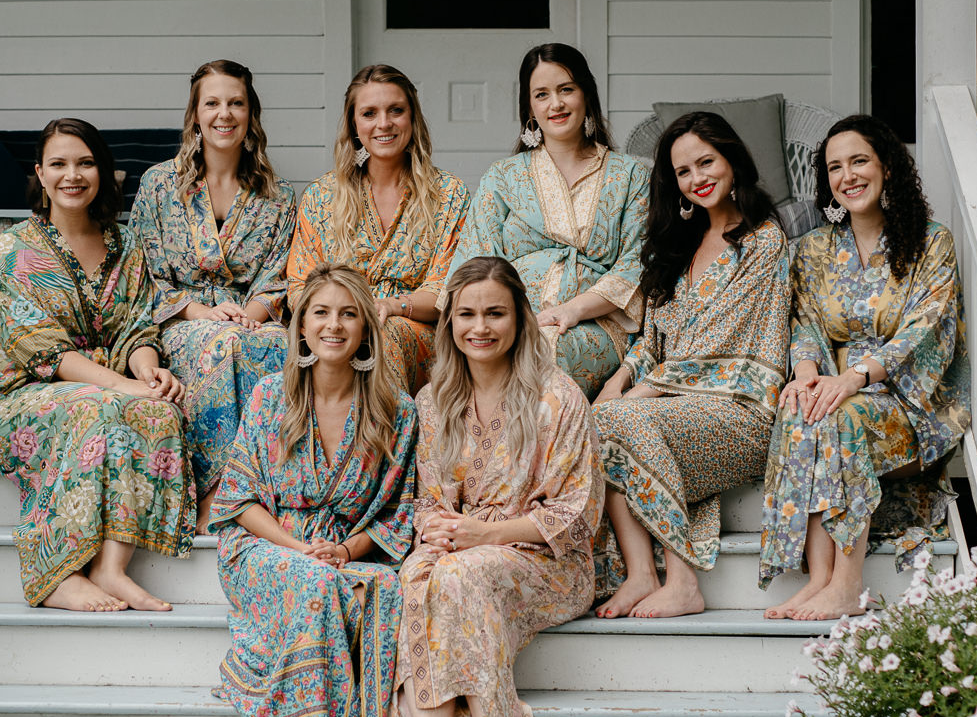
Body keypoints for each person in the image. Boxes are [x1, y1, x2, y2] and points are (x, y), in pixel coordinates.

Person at [386, 256, 602, 717]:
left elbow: (578, 512)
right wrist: (434, 529)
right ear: (450, 323)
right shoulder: (434, 402)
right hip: (463, 546)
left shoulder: (557, 398)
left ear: (520, 318)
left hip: (548, 559)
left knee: (465, 575)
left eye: (495, 314)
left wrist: (485, 536)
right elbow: (424, 498)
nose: (479, 328)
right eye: (466, 315)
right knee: (415, 573)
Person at [208, 265, 419, 717]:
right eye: (320, 313)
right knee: (313, 580)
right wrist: (301, 548)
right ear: (300, 326)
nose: (334, 326)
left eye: (349, 314)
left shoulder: (398, 411)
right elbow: (240, 499)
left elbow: (400, 512)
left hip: (351, 549)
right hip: (266, 544)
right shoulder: (267, 397)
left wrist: (346, 549)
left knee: (388, 588)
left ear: (368, 329)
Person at [0, 118, 191, 613]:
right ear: (40, 174)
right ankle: (57, 576)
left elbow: (138, 326)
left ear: (104, 173)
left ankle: (111, 569)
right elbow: (43, 349)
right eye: (59, 164)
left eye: (85, 163)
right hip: (16, 401)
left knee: (160, 412)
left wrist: (148, 374)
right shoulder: (16, 249)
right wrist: (119, 386)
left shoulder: (126, 245)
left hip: (103, 391)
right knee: (93, 410)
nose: (73, 174)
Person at [760, 113, 971, 621]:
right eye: (835, 167)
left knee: (843, 417)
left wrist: (856, 377)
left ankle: (849, 583)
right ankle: (820, 579)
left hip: (906, 400)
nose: (847, 176)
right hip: (834, 384)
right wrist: (807, 371)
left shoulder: (930, 242)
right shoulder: (811, 249)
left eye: (859, 161)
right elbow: (804, 319)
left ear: (888, 168)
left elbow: (927, 328)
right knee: (800, 409)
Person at [590, 111, 793, 619]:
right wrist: (619, 378)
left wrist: (642, 394)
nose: (698, 178)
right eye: (684, 171)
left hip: (739, 411)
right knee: (602, 418)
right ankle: (640, 574)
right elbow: (653, 340)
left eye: (707, 162)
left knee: (619, 420)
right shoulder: (676, 249)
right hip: (672, 413)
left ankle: (681, 581)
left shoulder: (762, 243)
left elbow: (714, 344)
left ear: (732, 161)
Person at [129, 60, 297, 530]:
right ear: (196, 115)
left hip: (251, 320)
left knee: (285, 348)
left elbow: (277, 277)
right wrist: (202, 312)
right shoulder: (159, 185)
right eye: (213, 103)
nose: (225, 114)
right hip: (178, 322)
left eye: (236, 103)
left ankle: (270, 490)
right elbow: (142, 274)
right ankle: (213, 495)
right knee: (222, 345)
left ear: (251, 114)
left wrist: (249, 314)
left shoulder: (278, 195)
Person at [447, 43, 651, 398]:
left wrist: (572, 310)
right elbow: (474, 260)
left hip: (595, 322)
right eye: (542, 94)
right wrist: (501, 315)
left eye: (566, 90)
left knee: (542, 349)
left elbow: (638, 263)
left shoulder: (631, 175)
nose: (555, 104)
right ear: (530, 108)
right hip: (509, 315)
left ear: (586, 94)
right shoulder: (503, 176)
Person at [286, 64, 470, 395]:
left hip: (411, 331)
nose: (383, 123)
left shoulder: (449, 194)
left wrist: (391, 307)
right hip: (334, 327)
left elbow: (447, 291)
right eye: (369, 113)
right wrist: (343, 317)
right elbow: (301, 284)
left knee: (383, 337)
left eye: (396, 111)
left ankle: (382, 443)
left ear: (412, 119)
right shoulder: (321, 196)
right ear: (354, 125)